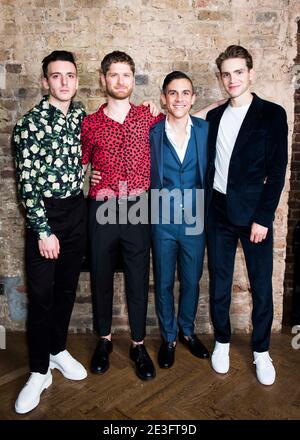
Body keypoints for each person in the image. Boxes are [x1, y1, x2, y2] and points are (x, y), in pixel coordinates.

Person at [205, 45, 288, 385]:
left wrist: (264, 218)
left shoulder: (272, 114)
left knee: (261, 286)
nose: (232, 79)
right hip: (218, 212)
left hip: (254, 215)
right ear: (221, 78)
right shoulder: (214, 116)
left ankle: (261, 351)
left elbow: (278, 170)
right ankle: (222, 342)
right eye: (226, 74)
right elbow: (185, 116)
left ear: (251, 74)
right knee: (220, 282)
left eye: (239, 72)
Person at [81, 51, 164, 381]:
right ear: (103, 79)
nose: (120, 81)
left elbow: (184, 117)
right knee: (100, 275)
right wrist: (85, 177)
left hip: (136, 206)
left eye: (126, 74)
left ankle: (138, 344)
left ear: (133, 79)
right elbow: (78, 165)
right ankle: (104, 340)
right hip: (101, 207)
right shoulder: (89, 123)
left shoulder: (148, 117)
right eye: (113, 74)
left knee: (137, 278)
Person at [13, 50, 87, 414]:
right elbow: (27, 184)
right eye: (56, 76)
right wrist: (43, 231)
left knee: (67, 289)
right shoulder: (29, 124)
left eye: (69, 75)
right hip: (46, 215)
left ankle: (57, 350)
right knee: (42, 298)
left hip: (77, 211)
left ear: (76, 80)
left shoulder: (80, 115)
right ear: (45, 81)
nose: (63, 82)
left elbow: (89, 155)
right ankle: (39, 372)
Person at [150, 71, 210, 368]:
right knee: (163, 283)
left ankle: (187, 331)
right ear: (164, 97)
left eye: (185, 93)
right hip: (161, 219)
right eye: (173, 93)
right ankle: (169, 337)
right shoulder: (151, 131)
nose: (179, 98)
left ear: (193, 98)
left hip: (195, 217)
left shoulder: (204, 129)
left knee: (191, 280)